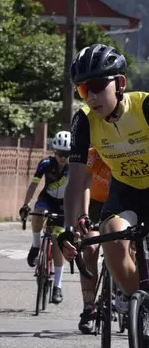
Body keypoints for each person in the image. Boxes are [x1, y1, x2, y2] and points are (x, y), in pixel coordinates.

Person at [59, 44, 147, 313]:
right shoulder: (84, 121)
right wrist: (68, 230)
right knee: (111, 235)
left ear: (120, 83)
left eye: (97, 86)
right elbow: (76, 182)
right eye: (84, 90)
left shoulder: (144, 106)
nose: (92, 96)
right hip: (126, 190)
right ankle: (140, 306)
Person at [18, 130, 71, 304]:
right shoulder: (46, 164)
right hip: (46, 199)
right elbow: (34, 185)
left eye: (67, 154)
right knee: (37, 213)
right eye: (59, 153)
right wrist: (25, 204)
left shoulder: (73, 167)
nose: (62, 157)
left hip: (64, 204)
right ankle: (35, 246)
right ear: (54, 151)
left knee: (57, 241)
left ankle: (57, 286)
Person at [76, 146, 112, 333]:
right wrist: (84, 214)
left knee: (130, 243)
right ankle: (89, 306)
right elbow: (85, 183)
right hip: (96, 204)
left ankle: (125, 293)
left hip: (121, 201)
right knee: (89, 248)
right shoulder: (93, 153)